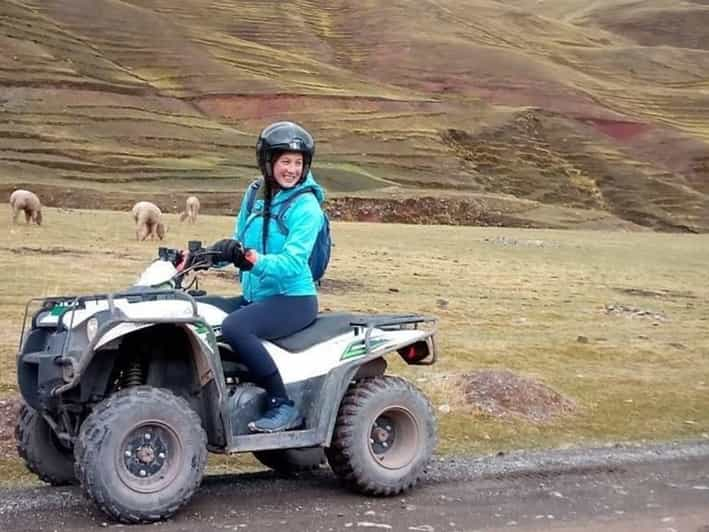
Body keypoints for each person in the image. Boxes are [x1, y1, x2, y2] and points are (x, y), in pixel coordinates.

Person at [209, 121, 326, 433]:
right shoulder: (254, 194)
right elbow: (239, 242)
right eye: (285, 161)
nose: (292, 169)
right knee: (201, 312)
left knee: (236, 326)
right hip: (257, 295)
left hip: (293, 300)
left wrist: (253, 261)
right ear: (268, 161)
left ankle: (281, 403)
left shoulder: (307, 207)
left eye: (298, 163)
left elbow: (292, 262)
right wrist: (210, 256)